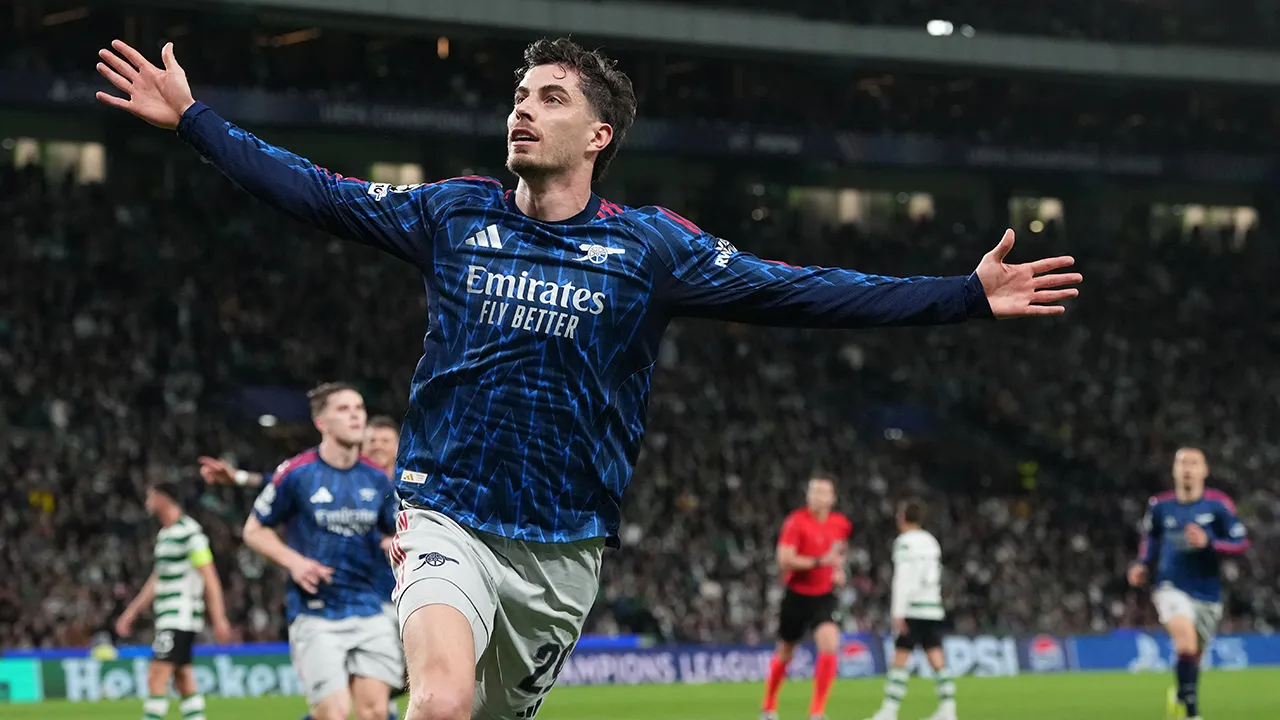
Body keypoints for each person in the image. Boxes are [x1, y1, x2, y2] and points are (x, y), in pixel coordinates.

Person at [95, 36, 1082, 720]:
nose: (523, 109)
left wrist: (959, 294)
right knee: (434, 699)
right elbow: (313, 193)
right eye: (519, 95)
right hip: (445, 515)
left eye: (550, 97)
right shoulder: (451, 213)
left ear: (598, 135)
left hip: (562, 552)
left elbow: (804, 291)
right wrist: (196, 122)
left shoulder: (650, 248)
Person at [198, 414, 405, 720]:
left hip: (397, 597)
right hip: (356, 600)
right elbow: (285, 483)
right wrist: (240, 478)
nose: (376, 445)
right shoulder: (346, 482)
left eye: (384, 441)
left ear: (397, 447)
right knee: (355, 702)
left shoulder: (404, 486)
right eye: (371, 439)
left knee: (379, 695)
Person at [1128, 448, 1249, 720]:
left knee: (1193, 656)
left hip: (1208, 592)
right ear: (1174, 470)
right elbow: (1151, 540)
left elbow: (1240, 543)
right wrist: (1142, 564)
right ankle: (1192, 713)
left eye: (1194, 463)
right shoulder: (1160, 506)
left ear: (1204, 470)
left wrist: (1210, 544)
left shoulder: (1219, 505)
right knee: (1185, 644)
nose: (1187, 468)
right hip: (1170, 586)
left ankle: (1181, 696)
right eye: (1182, 463)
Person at [115, 481, 232, 720]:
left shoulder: (190, 532)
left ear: (163, 498)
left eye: (150, 496)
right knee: (183, 678)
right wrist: (132, 612)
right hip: (168, 614)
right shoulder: (166, 535)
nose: (147, 501)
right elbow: (158, 579)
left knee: (156, 675)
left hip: (180, 614)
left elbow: (209, 575)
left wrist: (219, 617)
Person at [761, 476, 851, 720]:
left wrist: (839, 569)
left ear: (832, 498)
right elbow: (784, 560)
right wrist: (821, 562)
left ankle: (817, 712)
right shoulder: (796, 522)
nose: (816, 496)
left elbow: (840, 548)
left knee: (830, 644)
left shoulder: (840, 523)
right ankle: (768, 706)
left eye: (823, 492)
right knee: (785, 651)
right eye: (813, 491)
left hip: (824, 596)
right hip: (797, 595)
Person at [865, 499, 954, 720]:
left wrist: (898, 611)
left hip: (913, 608)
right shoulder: (931, 541)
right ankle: (948, 708)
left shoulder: (904, 542)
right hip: (932, 606)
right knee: (936, 657)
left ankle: (889, 710)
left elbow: (903, 579)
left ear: (903, 517)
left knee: (900, 658)